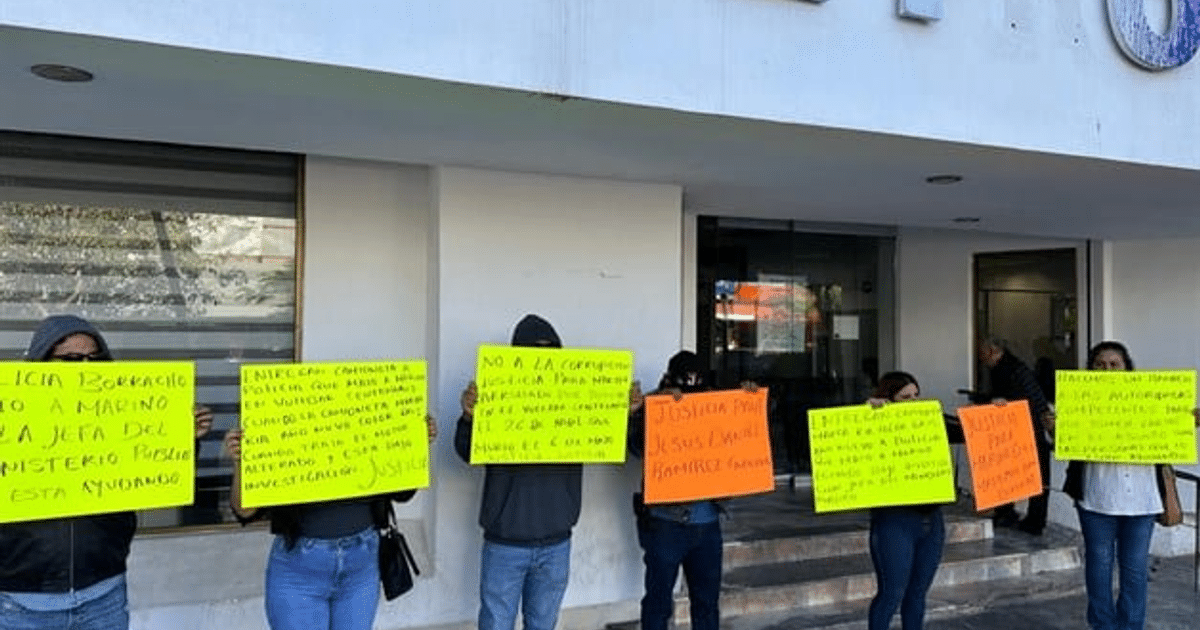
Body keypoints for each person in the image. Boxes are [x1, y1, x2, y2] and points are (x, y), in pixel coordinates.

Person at [0, 314, 212, 630]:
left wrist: (183, 439)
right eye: (70, 359)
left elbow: (157, 483)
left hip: (103, 594)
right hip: (21, 603)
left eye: (94, 359)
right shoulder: (11, 420)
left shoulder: (121, 419)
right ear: (41, 363)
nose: (85, 367)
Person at [454, 314, 643, 630]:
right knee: (496, 623)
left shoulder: (577, 397)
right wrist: (468, 418)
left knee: (543, 624)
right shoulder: (496, 395)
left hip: (556, 542)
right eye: (533, 354)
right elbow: (465, 451)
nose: (542, 362)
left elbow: (613, 440)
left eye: (550, 354)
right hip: (505, 543)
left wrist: (629, 414)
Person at [225, 411, 436, 630]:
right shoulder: (282, 409)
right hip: (299, 569)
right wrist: (241, 461)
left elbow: (403, 492)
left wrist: (416, 443)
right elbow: (245, 511)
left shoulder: (374, 407)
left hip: (361, 565)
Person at [1053, 341, 1200, 630]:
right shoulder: (1080, 403)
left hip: (1142, 500)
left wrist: (1187, 421)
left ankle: (1131, 626)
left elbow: (1171, 428)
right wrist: (1052, 426)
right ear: (1091, 370)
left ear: (1127, 368)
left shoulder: (1150, 401)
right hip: (1096, 497)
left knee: (1134, 568)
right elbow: (1063, 440)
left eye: (1114, 364)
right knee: (1099, 563)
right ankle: (1102, 625)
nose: (1107, 370)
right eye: (1100, 364)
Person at [626, 351, 724, 630]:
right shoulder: (655, 404)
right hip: (664, 523)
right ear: (669, 381)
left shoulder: (716, 405)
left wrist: (748, 399)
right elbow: (635, 448)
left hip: (707, 524)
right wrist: (646, 410)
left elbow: (740, 439)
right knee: (658, 605)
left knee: (706, 605)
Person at [864, 371, 951, 630]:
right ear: (889, 400)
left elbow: (965, 431)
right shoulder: (877, 427)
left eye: (916, 395)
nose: (914, 402)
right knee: (892, 594)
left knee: (917, 595)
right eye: (905, 397)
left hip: (932, 520)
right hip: (895, 522)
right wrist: (869, 415)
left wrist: (998, 411)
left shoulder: (931, 424)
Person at [978, 337, 1051, 534]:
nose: (980, 357)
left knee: (1032, 477)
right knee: (1017, 474)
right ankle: (1015, 514)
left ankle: (1030, 519)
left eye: (982, 352)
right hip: (1025, 427)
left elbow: (1025, 398)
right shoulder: (1010, 366)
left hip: (1026, 428)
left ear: (993, 351)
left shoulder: (1009, 368)